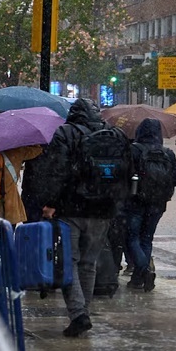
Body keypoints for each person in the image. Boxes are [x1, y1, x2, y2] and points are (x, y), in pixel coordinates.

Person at [37, 98, 122, 337]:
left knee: (68, 262)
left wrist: (51, 203)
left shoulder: (65, 133)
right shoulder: (111, 134)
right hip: (103, 209)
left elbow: (57, 171)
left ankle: (78, 313)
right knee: (88, 263)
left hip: (71, 209)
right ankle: (84, 311)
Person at [125, 118, 176, 291]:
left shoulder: (133, 150)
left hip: (135, 201)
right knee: (146, 239)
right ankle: (137, 280)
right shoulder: (167, 153)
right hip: (158, 203)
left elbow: (124, 175)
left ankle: (144, 269)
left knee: (131, 238)